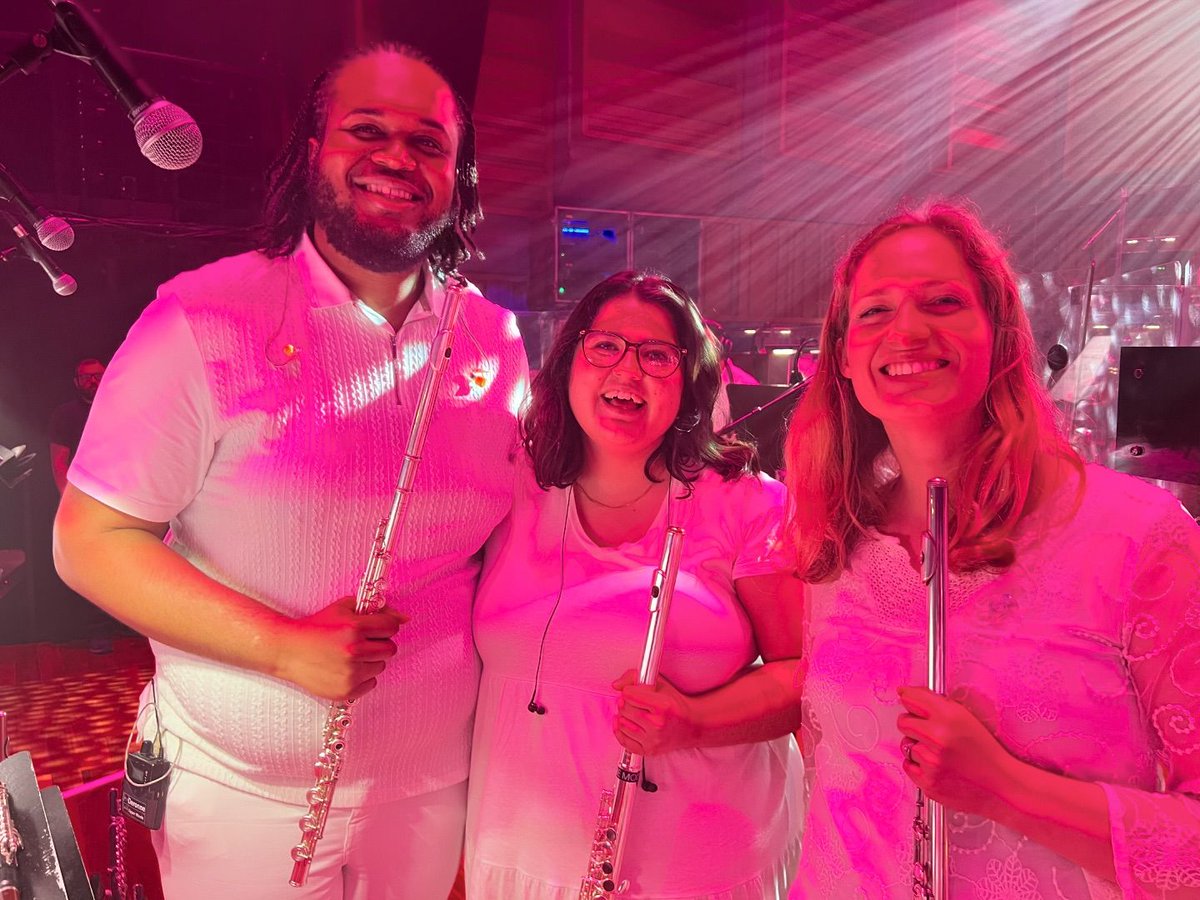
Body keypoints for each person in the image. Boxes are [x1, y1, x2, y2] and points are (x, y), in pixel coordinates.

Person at [53, 42, 528, 899]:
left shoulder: (494, 340)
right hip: (237, 794)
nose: (396, 157)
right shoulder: (203, 318)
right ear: (313, 155)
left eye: (429, 143)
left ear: (460, 177)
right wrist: (282, 649)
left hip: (432, 786)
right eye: (366, 130)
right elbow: (91, 538)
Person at [781, 200, 1200, 898]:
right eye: (875, 312)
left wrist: (1007, 789)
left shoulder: (1140, 539)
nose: (907, 330)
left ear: (1001, 336)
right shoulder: (836, 538)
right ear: (846, 358)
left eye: (943, 301)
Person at [465, 271, 805, 899]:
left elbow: (804, 676)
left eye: (656, 355)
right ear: (570, 362)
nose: (628, 371)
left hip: (698, 871)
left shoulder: (746, 505)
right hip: (521, 858)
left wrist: (696, 722)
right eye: (605, 347)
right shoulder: (514, 486)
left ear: (692, 382)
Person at [48, 357, 105, 494]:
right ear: (76, 382)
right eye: (85, 377)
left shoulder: (120, 409)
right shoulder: (65, 414)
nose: (92, 381)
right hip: (84, 492)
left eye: (98, 376)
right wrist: (68, 499)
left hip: (122, 493)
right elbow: (59, 464)